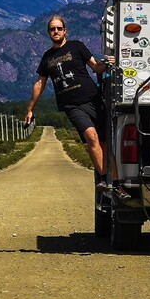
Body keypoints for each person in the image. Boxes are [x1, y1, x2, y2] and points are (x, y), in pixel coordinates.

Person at [25, 16, 111, 180]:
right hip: (71, 106)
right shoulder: (47, 57)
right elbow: (39, 84)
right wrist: (30, 109)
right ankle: (105, 178)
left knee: (105, 142)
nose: (56, 31)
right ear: (48, 33)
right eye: (52, 29)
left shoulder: (77, 46)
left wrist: (107, 64)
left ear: (65, 30)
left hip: (93, 99)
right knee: (91, 137)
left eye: (58, 28)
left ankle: (114, 181)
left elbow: (96, 67)